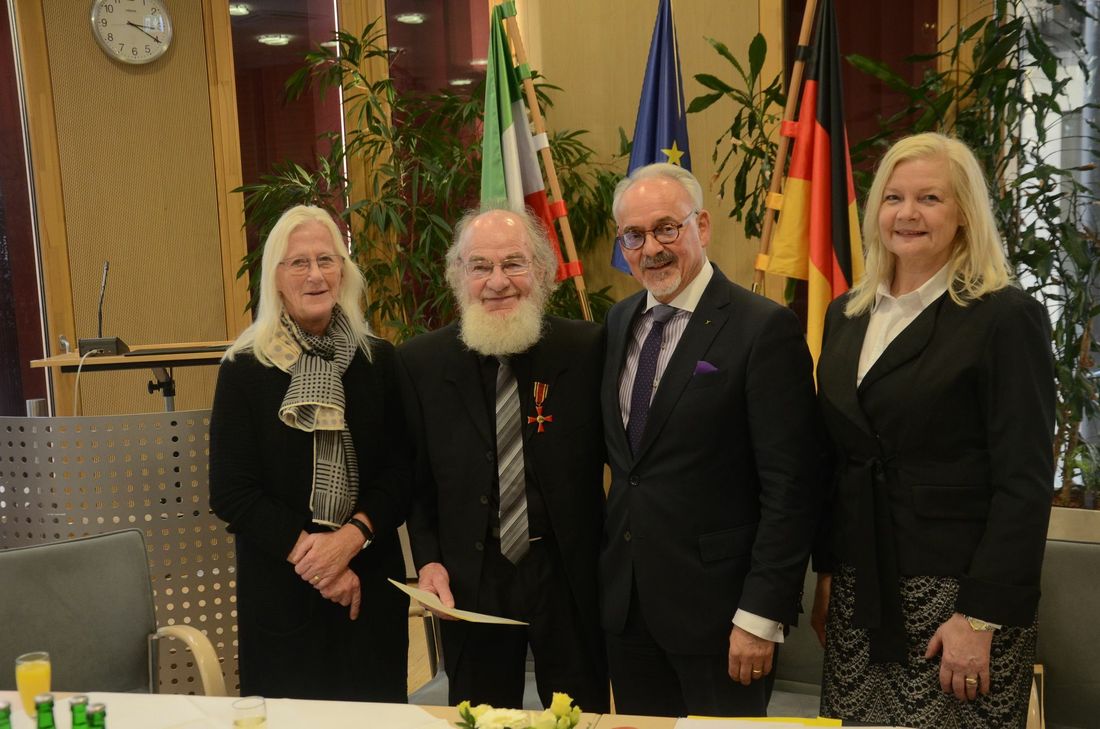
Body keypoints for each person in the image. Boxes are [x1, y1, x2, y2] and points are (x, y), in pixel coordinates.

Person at [811, 133, 1055, 728]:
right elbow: (837, 462)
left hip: (958, 604)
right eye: (893, 197)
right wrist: (827, 575)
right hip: (860, 592)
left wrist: (980, 617)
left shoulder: (1003, 317)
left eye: (930, 199)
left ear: (965, 215)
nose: (908, 214)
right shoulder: (845, 315)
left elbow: (1024, 482)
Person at [601, 162, 824, 717]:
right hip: (629, 612)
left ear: (701, 226)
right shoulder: (618, 321)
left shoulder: (762, 327)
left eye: (666, 228)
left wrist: (759, 616)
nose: (650, 247)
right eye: (634, 235)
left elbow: (792, 487)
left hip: (723, 619)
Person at [396, 207, 609, 712]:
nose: (497, 282)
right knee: (482, 716)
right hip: (472, 578)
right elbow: (416, 482)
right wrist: (427, 561)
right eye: (480, 267)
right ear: (458, 277)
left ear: (540, 271)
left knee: (581, 717)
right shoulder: (419, 363)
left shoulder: (588, 348)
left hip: (568, 573)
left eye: (513, 264)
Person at [209, 205, 410, 701]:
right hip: (281, 592)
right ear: (274, 279)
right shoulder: (244, 368)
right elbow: (231, 492)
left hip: (370, 587)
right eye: (298, 263)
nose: (315, 274)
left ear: (344, 271)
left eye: (327, 259)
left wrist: (351, 539)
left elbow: (404, 471)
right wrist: (318, 562)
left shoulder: (379, 360)